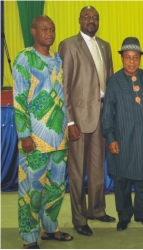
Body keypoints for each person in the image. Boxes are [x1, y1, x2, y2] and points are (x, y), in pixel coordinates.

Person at [13, 15, 73, 249]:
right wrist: (24, 134)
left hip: (59, 141)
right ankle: (29, 237)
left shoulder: (57, 59)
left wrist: (68, 128)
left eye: (52, 29)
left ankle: (50, 228)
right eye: (44, 29)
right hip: (35, 140)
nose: (49, 33)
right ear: (34, 32)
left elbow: (62, 97)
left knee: (56, 188)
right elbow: (19, 99)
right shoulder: (24, 58)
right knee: (32, 190)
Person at [58, 6, 115, 236]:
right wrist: (70, 122)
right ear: (79, 19)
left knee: (96, 168)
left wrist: (111, 115)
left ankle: (97, 210)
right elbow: (64, 86)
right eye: (87, 17)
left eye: (95, 18)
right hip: (79, 119)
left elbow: (109, 82)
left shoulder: (105, 46)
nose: (92, 21)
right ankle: (79, 218)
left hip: (101, 115)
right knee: (77, 169)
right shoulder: (69, 45)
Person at [101, 37, 143, 231]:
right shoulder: (114, 82)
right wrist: (111, 138)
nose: (132, 61)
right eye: (128, 57)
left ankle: (142, 213)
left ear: (140, 58)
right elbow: (107, 113)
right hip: (122, 140)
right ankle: (124, 215)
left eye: (135, 57)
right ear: (122, 58)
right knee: (122, 180)